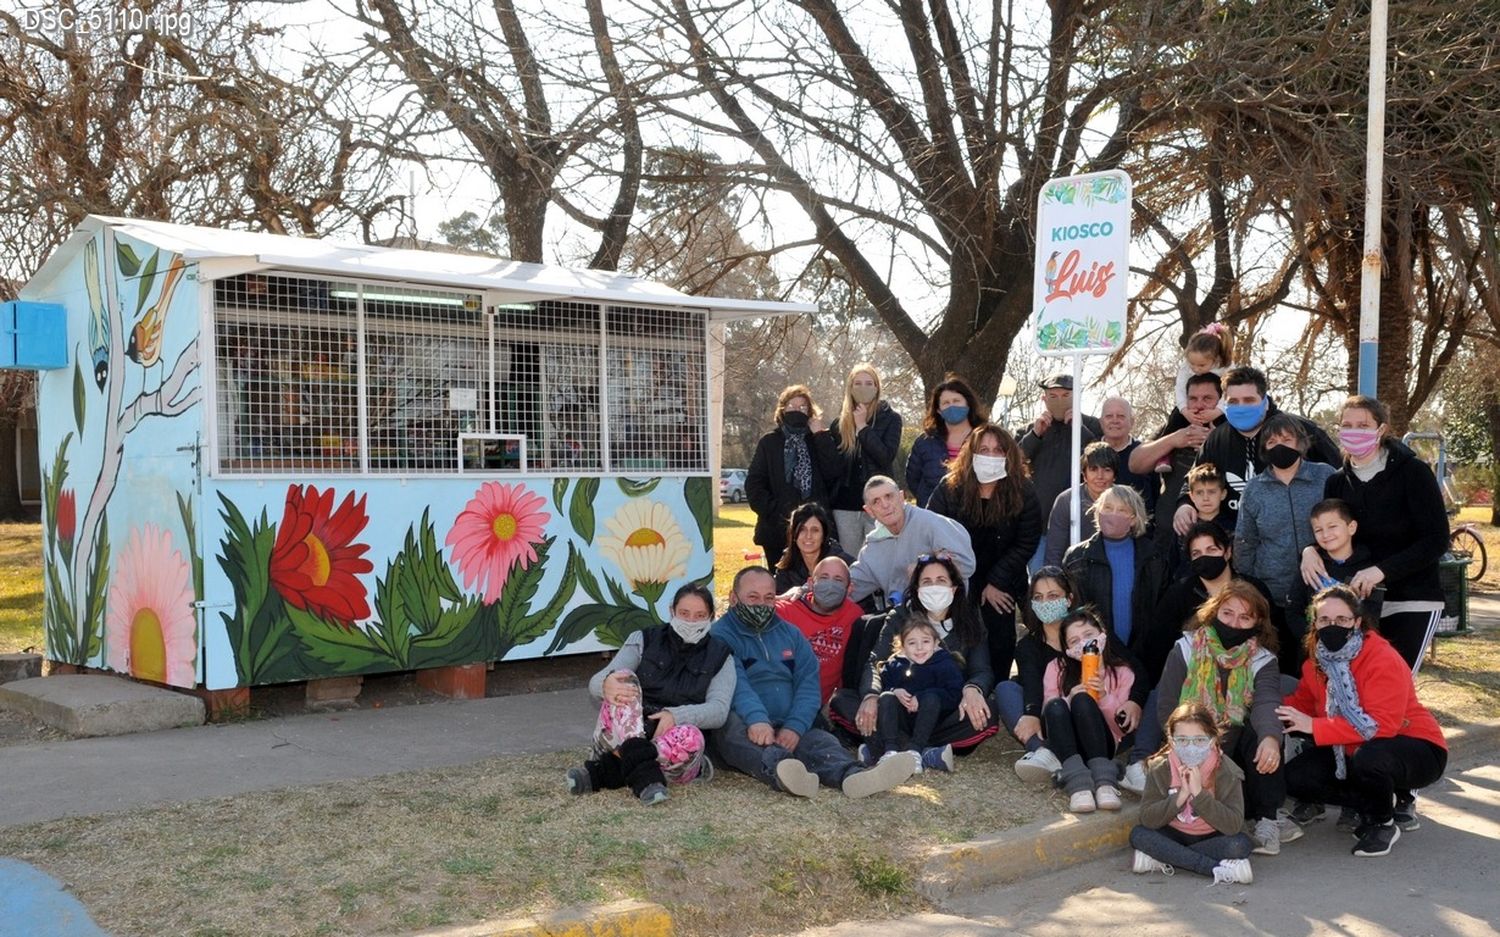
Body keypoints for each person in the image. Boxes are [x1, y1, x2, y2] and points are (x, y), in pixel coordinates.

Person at [711, 567, 916, 798]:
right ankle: (783, 770)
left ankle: (854, 776)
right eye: (752, 597)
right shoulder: (719, 636)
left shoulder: (791, 634)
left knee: (821, 741)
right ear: (733, 598)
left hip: (789, 717)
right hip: (746, 719)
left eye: (769, 598)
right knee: (731, 731)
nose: (761, 604)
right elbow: (736, 684)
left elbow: (808, 683)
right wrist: (757, 719)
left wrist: (795, 726)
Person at [1279, 585, 1447, 857]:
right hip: (1351, 748)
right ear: (1315, 623)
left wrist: (1314, 726)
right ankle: (1376, 804)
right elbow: (1303, 703)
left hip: (1418, 747)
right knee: (1296, 777)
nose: (1332, 626)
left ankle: (1383, 824)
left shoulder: (1382, 658)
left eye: (1342, 620)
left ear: (1357, 622)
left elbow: (1382, 725)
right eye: (1324, 620)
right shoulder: (1315, 664)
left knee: (1370, 756)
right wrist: (1261, 708)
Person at [1299, 396, 1449, 673]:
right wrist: (1309, 551)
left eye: (1363, 425)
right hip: (1360, 604)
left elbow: (1436, 540)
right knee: (1359, 688)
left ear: (1380, 430)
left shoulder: (1414, 473)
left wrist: (1381, 571)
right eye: (1347, 425)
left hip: (1412, 599)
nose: (1353, 431)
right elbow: (1334, 529)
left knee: (1395, 687)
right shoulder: (1336, 481)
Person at [1156, 581, 1298, 857]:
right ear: (1213, 613)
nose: (1234, 623)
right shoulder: (1186, 647)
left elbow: (1267, 702)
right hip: (1193, 745)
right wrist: (1186, 744)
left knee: (1263, 735)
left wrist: (1270, 738)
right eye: (1227, 613)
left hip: (1235, 748)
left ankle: (1267, 819)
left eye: (1245, 617)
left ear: (1258, 623)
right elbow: (1166, 706)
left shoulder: (1262, 659)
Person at [566, 584, 733, 804]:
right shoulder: (643, 639)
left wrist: (676, 716)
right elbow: (598, 680)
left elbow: (719, 710)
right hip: (628, 729)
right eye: (684, 614)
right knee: (622, 678)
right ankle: (647, 778)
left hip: (671, 741)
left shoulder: (721, 655)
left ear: (711, 617)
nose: (691, 621)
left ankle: (603, 772)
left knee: (692, 736)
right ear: (672, 611)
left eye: (699, 615)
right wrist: (606, 685)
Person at [832, 555, 999, 757]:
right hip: (897, 710)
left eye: (941, 580)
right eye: (927, 582)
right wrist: (871, 695)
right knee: (842, 700)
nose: (934, 586)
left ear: (954, 588)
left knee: (987, 710)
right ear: (917, 590)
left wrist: (973, 689)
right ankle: (922, 751)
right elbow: (876, 662)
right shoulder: (900, 616)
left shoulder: (970, 619)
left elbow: (982, 669)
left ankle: (893, 745)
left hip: (944, 712)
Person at [926, 423, 1042, 684]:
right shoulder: (949, 488)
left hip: (1003, 582)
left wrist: (994, 583)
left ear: (1008, 455)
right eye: (983, 450)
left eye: (997, 450)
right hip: (957, 581)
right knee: (959, 644)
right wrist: (964, 584)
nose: (990, 456)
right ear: (970, 454)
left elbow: (1027, 541)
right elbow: (932, 530)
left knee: (1001, 641)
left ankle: (996, 694)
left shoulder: (1023, 491)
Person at [1172, 366, 1340, 534]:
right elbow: (1194, 478)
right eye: (1233, 401)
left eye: (1249, 400)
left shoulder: (1301, 430)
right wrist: (1184, 504)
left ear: (1265, 401)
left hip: (1299, 543)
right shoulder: (1217, 438)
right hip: (1236, 540)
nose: (1241, 407)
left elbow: (1340, 477)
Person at [1233, 414, 1336, 675]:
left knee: (1321, 667)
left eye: (1287, 439)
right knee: (1282, 669)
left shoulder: (1325, 476)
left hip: (1322, 591)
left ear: (1301, 443)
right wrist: (1251, 586)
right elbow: (1246, 540)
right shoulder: (1255, 488)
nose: (1280, 446)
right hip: (1273, 596)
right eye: (1272, 441)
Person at [1130, 701, 1255, 884]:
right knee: (1139, 835)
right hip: (1173, 833)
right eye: (1182, 740)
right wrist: (1180, 797)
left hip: (1212, 836)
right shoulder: (1159, 768)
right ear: (1171, 740)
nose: (1190, 747)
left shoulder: (1227, 771)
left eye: (1199, 740)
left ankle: (1164, 856)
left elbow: (1233, 824)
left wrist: (1198, 794)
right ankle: (1215, 869)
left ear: (1212, 740)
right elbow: (1148, 818)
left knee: (1240, 845)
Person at [1042, 610, 1145, 813]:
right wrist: (1068, 698)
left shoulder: (1122, 672)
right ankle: (1078, 786)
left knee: (1084, 700)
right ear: (1067, 648)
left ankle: (1104, 782)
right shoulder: (1056, 668)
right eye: (1074, 640)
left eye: (1089, 635)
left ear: (1102, 634)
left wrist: (1104, 697)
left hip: (1103, 744)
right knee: (1061, 703)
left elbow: (1121, 729)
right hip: (1068, 744)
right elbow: (1049, 712)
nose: (1083, 643)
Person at [1062, 485, 1167, 665]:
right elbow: (1072, 610)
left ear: (1133, 519)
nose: (1112, 514)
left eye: (1121, 510)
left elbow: (1160, 610)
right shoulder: (1077, 557)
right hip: (1093, 658)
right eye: (1108, 508)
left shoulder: (1153, 556)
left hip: (1143, 657)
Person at [745, 385, 843, 567]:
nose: (797, 411)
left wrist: (820, 436)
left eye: (803, 407)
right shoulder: (769, 442)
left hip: (816, 527)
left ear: (811, 411)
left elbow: (834, 472)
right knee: (782, 584)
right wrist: (775, 511)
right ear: (782, 410)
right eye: (791, 406)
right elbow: (754, 484)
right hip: (777, 528)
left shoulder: (819, 440)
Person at [848, 475, 975, 606]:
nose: (885, 505)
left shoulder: (932, 524)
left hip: (947, 612)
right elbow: (851, 587)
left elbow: (966, 564)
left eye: (889, 496)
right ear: (869, 511)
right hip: (901, 617)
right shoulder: (872, 548)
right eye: (876, 501)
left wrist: (924, 568)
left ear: (902, 497)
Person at [1019, 373, 1103, 568]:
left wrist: (1079, 429)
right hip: (1041, 527)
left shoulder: (1092, 425)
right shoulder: (1032, 429)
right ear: (1044, 399)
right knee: (1045, 580)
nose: (1059, 402)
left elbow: (1102, 459)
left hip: (1085, 524)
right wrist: (1035, 435)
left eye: (1066, 396)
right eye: (1053, 396)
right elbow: (1014, 460)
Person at [1132, 372, 1224, 547]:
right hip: (1169, 540)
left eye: (1207, 398)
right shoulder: (1175, 427)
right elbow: (1135, 464)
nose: (1199, 405)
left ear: (1220, 400)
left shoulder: (1232, 432)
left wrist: (1217, 443)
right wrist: (1174, 440)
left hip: (1216, 541)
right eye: (1193, 399)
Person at [865, 617, 965, 772]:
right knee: (886, 697)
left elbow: (954, 694)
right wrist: (894, 691)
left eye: (925, 642)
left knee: (931, 698)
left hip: (934, 723)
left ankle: (915, 752)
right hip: (901, 724)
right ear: (903, 647)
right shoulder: (894, 665)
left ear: (936, 643)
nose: (919, 648)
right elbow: (884, 686)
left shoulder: (945, 664)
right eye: (912, 643)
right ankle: (890, 751)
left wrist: (924, 696)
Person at [1003, 567, 1075, 782]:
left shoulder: (1089, 631)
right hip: (1047, 714)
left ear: (1069, 599)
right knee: (1006, 689)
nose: (1046, 603)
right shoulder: (1028, 645)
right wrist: (1032, 713)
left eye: (1053, 596)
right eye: (1038, 597)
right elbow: (1031, 680)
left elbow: (1128, 666)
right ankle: (1043, 752)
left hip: (1084, 713)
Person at [830, 363, 904, 553]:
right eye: (858, 383)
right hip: (845, 505)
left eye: (869, 383)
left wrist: (863, 427)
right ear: (850, 388)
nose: (863, 388)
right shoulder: (839, 424)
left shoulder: (891, 419)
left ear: (877, 387)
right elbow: (835, 465)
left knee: (881, 556)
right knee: (850, 560)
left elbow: (885, 456)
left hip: (878, 502)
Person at [775, 556, 866, 708]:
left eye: (838, 580)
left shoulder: (855, 617)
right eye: (824, 577)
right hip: (777, 701)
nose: (830, 585)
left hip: (815, 708)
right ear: (810, 583)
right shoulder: (785, 611)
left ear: (850, 589)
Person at [906, 374, 987, 508]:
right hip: (934, 517)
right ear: (938, 410)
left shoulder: (986, 438)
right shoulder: (925, 442)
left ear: (968, 403)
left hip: (976, 513)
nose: (952, 406)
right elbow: (913, 479)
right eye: (946, 403)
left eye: (956, 401)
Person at [1044, 441, 1118, 567]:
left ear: (1115, 476)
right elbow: (1054, 553)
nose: (1100, 476)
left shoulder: (1125, 500)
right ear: (1084, 475)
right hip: (1074, 571)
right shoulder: (1066, 501)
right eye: (1093, 469)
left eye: (1107, 470)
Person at [1309, 499, 1383, 617]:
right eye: (1318, 530)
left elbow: (1373, 614)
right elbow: (1294, 610)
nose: (1326, 535)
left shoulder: (1369, 568)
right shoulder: (1311, 566)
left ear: (1352, 527)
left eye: (1332, 526)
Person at [772, 502, 853, 594]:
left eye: (815, 530)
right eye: (802, 529)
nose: (808, 536)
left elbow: (864, 605)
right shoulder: (787, 564)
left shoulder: (845, 564)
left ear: (824, 535)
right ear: (793, 533)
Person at [1100, 396, 1154, 512]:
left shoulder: (1146, 454)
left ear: (1132, 422)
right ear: (1101, 422)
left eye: (1121, 416)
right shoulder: (1088, 455)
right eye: (1109, 416)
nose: (1115, 420)